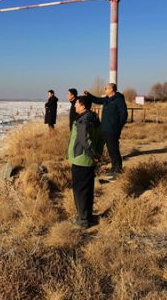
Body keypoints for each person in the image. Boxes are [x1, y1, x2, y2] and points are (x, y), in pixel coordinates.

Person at [67, 96, 103, 228]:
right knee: (88, 189)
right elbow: (101, 137)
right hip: (90, 160)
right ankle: (88, 217)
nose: (74, 106)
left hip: (81, 160)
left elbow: (84, 140)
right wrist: (97, 154)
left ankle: (82, 221)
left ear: (82, 106)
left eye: (76, 104)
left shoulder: (82, 120)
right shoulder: (95, 118)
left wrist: (94, 155)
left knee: (80, 190)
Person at [84, 83, 128, 178]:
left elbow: (124, 114)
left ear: (112, 89)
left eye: (106, 88)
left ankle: (118, 169)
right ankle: (113, 168)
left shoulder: (118, 100)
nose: (105, 89)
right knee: (110, 150)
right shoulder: (107, 99)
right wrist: (89, 95)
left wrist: (118, 126)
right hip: (105, 128)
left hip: (113, 130)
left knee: (114, 149)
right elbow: (97, 100)